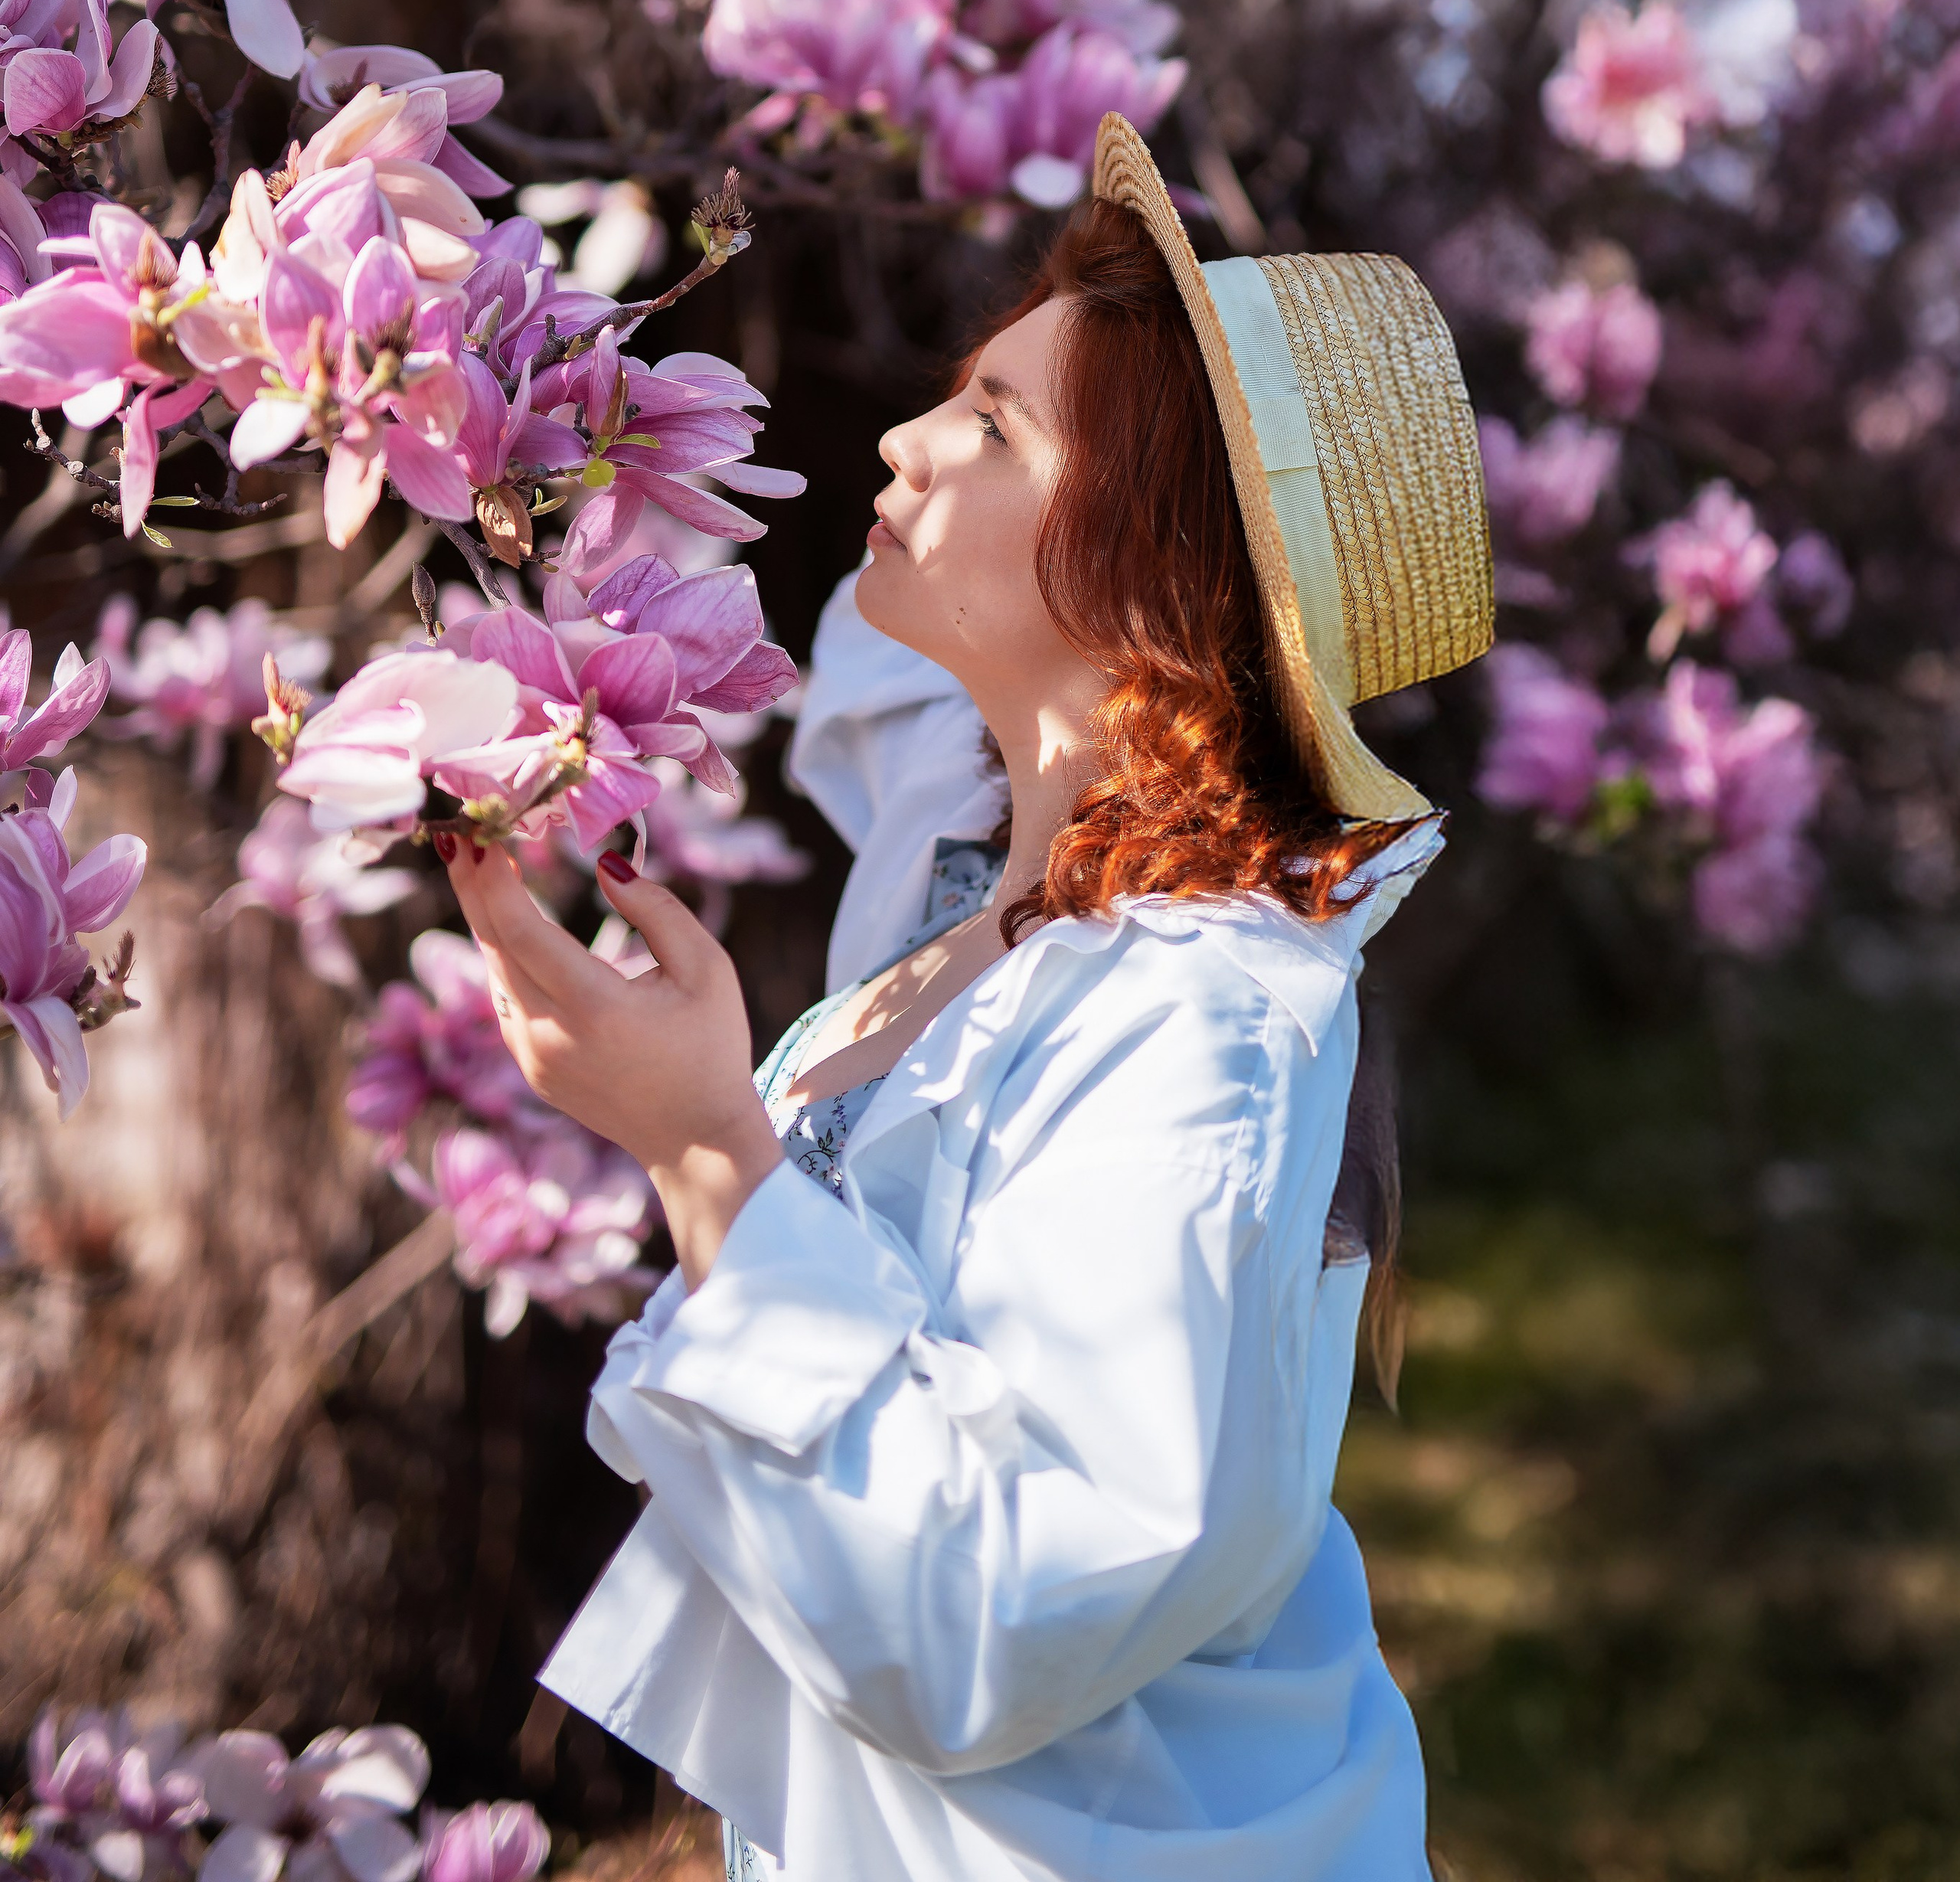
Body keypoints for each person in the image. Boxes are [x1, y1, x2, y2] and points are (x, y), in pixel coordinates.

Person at [437, 112, 1494, 1880]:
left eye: (993, 424)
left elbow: (999, 1615)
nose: (905, 438)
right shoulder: (975, 854)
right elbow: (865, 666)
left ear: (1160, 573)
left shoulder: (1200, 1032)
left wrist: (706, 1151)